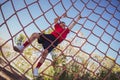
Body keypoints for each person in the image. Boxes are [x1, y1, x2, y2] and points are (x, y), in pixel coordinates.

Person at [13, 13, 81, 76]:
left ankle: (36, 69)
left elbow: (73, 24)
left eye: (64, 24)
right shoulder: (57, 27)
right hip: (49, 36)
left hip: (55, 42)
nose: (63, 24)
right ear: (60, 24)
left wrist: (78, 18)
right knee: (35, 34)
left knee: (45, 53)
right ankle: (22, 47)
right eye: (62, 23)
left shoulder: (66, 31)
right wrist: (62, 16)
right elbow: (55, 20)